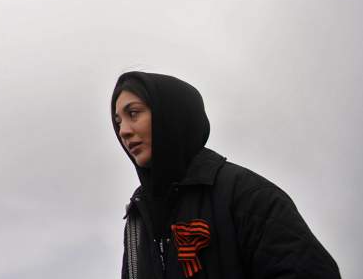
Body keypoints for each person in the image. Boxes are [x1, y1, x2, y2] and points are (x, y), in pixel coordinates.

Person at [112, 71, 339, 278]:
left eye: (134, 113)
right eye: (118, 121)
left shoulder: (248, 196)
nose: (123, 131)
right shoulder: (139, 217)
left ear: (170, 115)